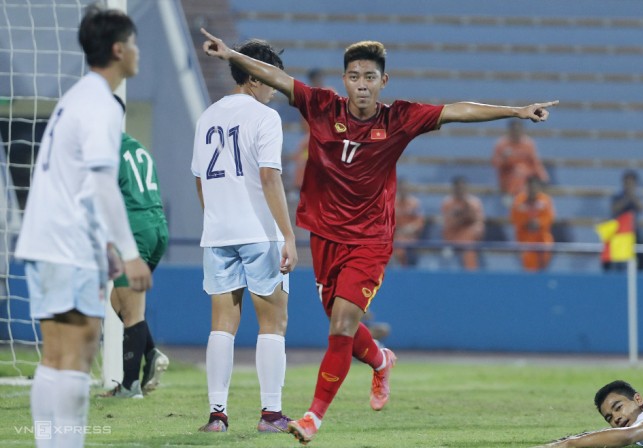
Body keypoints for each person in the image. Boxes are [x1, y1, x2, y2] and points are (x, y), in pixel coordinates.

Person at [200, 27, 558, 445]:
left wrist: (515, 111)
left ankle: (313, 416)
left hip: (370, 239)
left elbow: (457, 109)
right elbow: (277, 78)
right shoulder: (320, 106)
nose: (362, 85)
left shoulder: (399, 118)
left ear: (382, 82)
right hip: (325, 235)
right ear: (344, 80)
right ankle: (381, 360)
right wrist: (230, 54)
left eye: (369, 77)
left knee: (342, 323)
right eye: (354, 76)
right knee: (341, 325)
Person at [14, 5, 151, 447]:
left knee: (54, 358)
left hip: (43, 239)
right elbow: (100, 184)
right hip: (68, 244)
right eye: (132, 43)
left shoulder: (75, 97)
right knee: (77, 355)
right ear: (117, 49)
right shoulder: (101, 104)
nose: (137, 51)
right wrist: (129, 253)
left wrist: (104, 245)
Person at [191, 38, 298, 434]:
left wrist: (217, 218)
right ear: (254, 77)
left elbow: (199, 179)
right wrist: (288, 234)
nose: (274, 86)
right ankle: (271, 414)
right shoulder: (264, 117)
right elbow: (270, 177)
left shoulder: (207, 116)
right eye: (270, 78)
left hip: (218, 234)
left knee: (222, 323)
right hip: (259, 233)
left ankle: (217, 415)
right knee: (273, 322)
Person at [98, 97, 169, 399]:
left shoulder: (105, 151)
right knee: (120, 300)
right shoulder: (136, 147)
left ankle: (130, 386)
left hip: (134, 230)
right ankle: (151, 354)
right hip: (157, 227)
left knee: (131, 311)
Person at [533, 380, 643, 447]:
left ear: (638, 399)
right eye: (609, 417)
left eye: (618, 407)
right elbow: (615, 433)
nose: (616, 418)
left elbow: (628, 435)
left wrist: (569, 444)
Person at [491, 119, 549, 207]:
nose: (516, 133)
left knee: (521, 170)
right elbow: (495, 163)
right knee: (518, 171)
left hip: (526, 176)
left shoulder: (528, 144)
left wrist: (543, 177)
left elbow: (535, 162)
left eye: (518, 130)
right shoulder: (502, 144)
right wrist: (504, 158)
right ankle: (516, 197)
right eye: (514, 130)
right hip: (507, 176)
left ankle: (520, 198)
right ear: (510, 131)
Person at [510, 175, 555, 271]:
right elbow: (515, 218)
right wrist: (527, 222)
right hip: (525, 236)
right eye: (530, 186)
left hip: (541, 235)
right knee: (528, 257)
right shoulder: (519, 200)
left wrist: (539, 223)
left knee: (547, 245)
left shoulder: (545, 200)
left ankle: (542, 272)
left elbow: (549, 218)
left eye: (534, 187)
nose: (532, 189)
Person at [604, 169, 643, 271]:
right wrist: (627, 198)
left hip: (633, 232)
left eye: (632, 183)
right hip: (619, 233)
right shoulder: (617, 196)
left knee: (641, 255)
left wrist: (632, 197)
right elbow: (614, 209)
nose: (629, 185)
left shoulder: (637, 197)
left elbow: (642, 208)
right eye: (627, 182)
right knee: (616, 262)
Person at [440, 176, 485, 270]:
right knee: (446, 256)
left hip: (469, 241)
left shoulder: (474, 202)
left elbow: (478, 223)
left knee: (470, 251)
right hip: (451, 240)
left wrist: (466, 208)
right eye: (458, 188)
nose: (460, 190)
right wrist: (462, 218)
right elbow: (449, 224)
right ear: (454, 189)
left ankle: (471, 278)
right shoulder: (447, 203)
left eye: (462, 188)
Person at [393, 179, 426, 266]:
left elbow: (420, 221)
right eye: (401, 187)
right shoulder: (392, 202)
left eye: (405, 187)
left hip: (411, 237)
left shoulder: (415, 203)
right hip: (395, 236)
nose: (403, 189)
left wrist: (410, 228)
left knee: (407, 249)